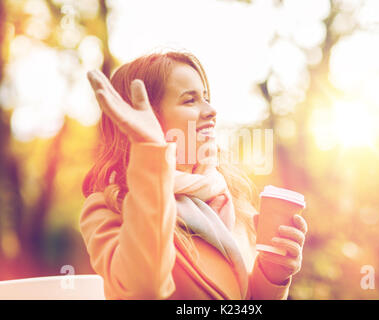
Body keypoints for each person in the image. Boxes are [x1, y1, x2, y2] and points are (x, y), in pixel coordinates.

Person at [80, 48, 308, 300]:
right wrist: (151, 151)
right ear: (147, 117)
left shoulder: (225, 196)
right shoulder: (110, 208)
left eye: (206, 97)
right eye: (190, 100)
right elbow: (143, 289)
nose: (211, 111)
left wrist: (272, 273)